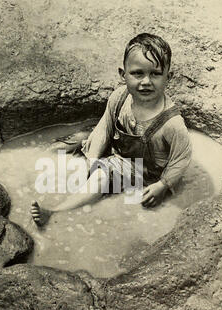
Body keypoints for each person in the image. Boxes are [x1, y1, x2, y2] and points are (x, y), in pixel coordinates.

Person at [31, 33, 192, 226]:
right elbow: (103, 129)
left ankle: (55, 212)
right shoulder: (119, 97)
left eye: (155, 74)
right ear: (123, 75)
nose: (146, 81)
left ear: (168, 77)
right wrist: (91, 160)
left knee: (102, 175)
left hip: (143, 170)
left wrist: (163, 185)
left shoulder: (171, 123)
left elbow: (181, 159)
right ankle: (27, 169)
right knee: (68, 146)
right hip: (118, 148)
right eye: (137, 73)